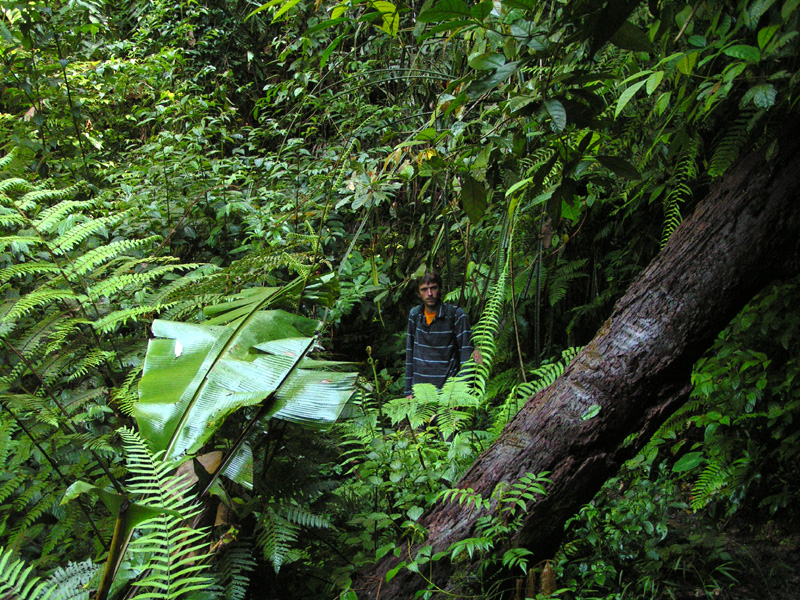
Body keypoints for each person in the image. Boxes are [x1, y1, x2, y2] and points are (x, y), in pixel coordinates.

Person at [404, 270, 476, 399]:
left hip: (448, 394)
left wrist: (459, 393)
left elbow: (467, 356)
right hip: (420, 394)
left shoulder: (456, 315)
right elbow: (410, 354)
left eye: (433, 288)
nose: (429, 294)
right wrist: (408, 391)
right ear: (419, 293)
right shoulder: (415, 315)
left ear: (440, 288)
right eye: (424, 290)